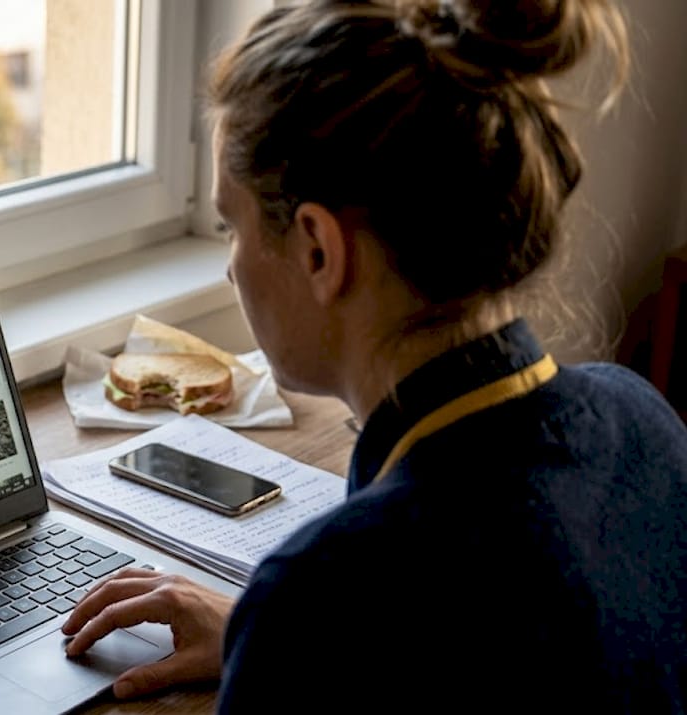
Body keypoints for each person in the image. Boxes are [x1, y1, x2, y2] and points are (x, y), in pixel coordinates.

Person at [61, 0, 687, 710]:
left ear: (320, 250)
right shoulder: (644, 422)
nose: (231, 269)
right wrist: (262, 638)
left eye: (231, 226)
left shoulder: (328, 596)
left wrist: (284, 636)